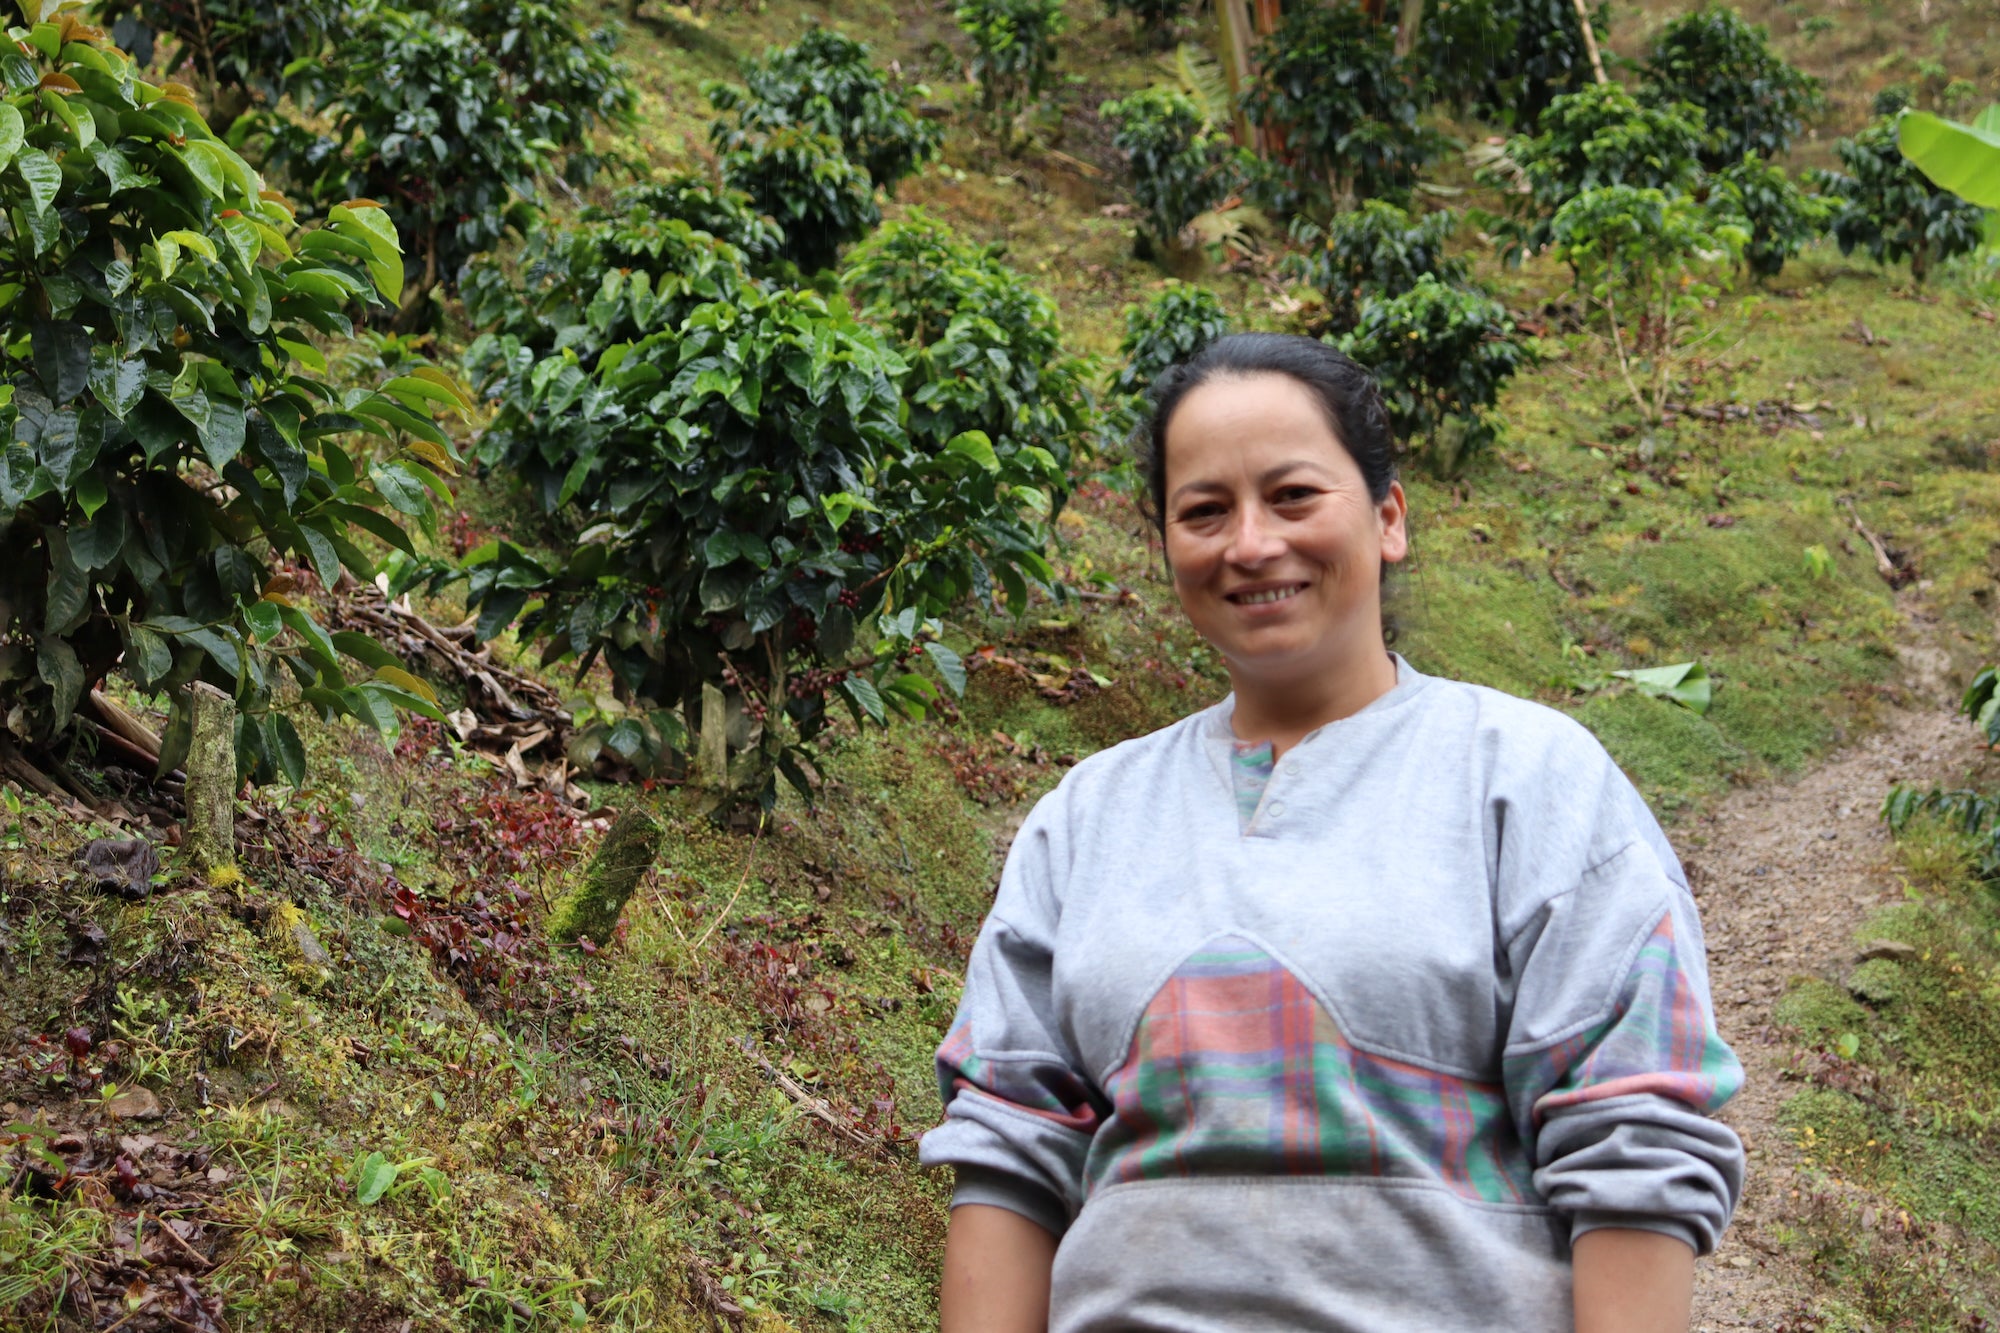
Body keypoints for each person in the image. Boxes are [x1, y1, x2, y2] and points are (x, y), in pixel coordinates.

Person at [919, 334, 1744, 1333]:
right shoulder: (1088, 817)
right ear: (1166, 545)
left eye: (1293, 495)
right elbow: (1010, 1149)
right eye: (1203, 511)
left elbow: (1630, 1135)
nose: (1251, 542)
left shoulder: (1529, 782)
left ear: (1387, 516)